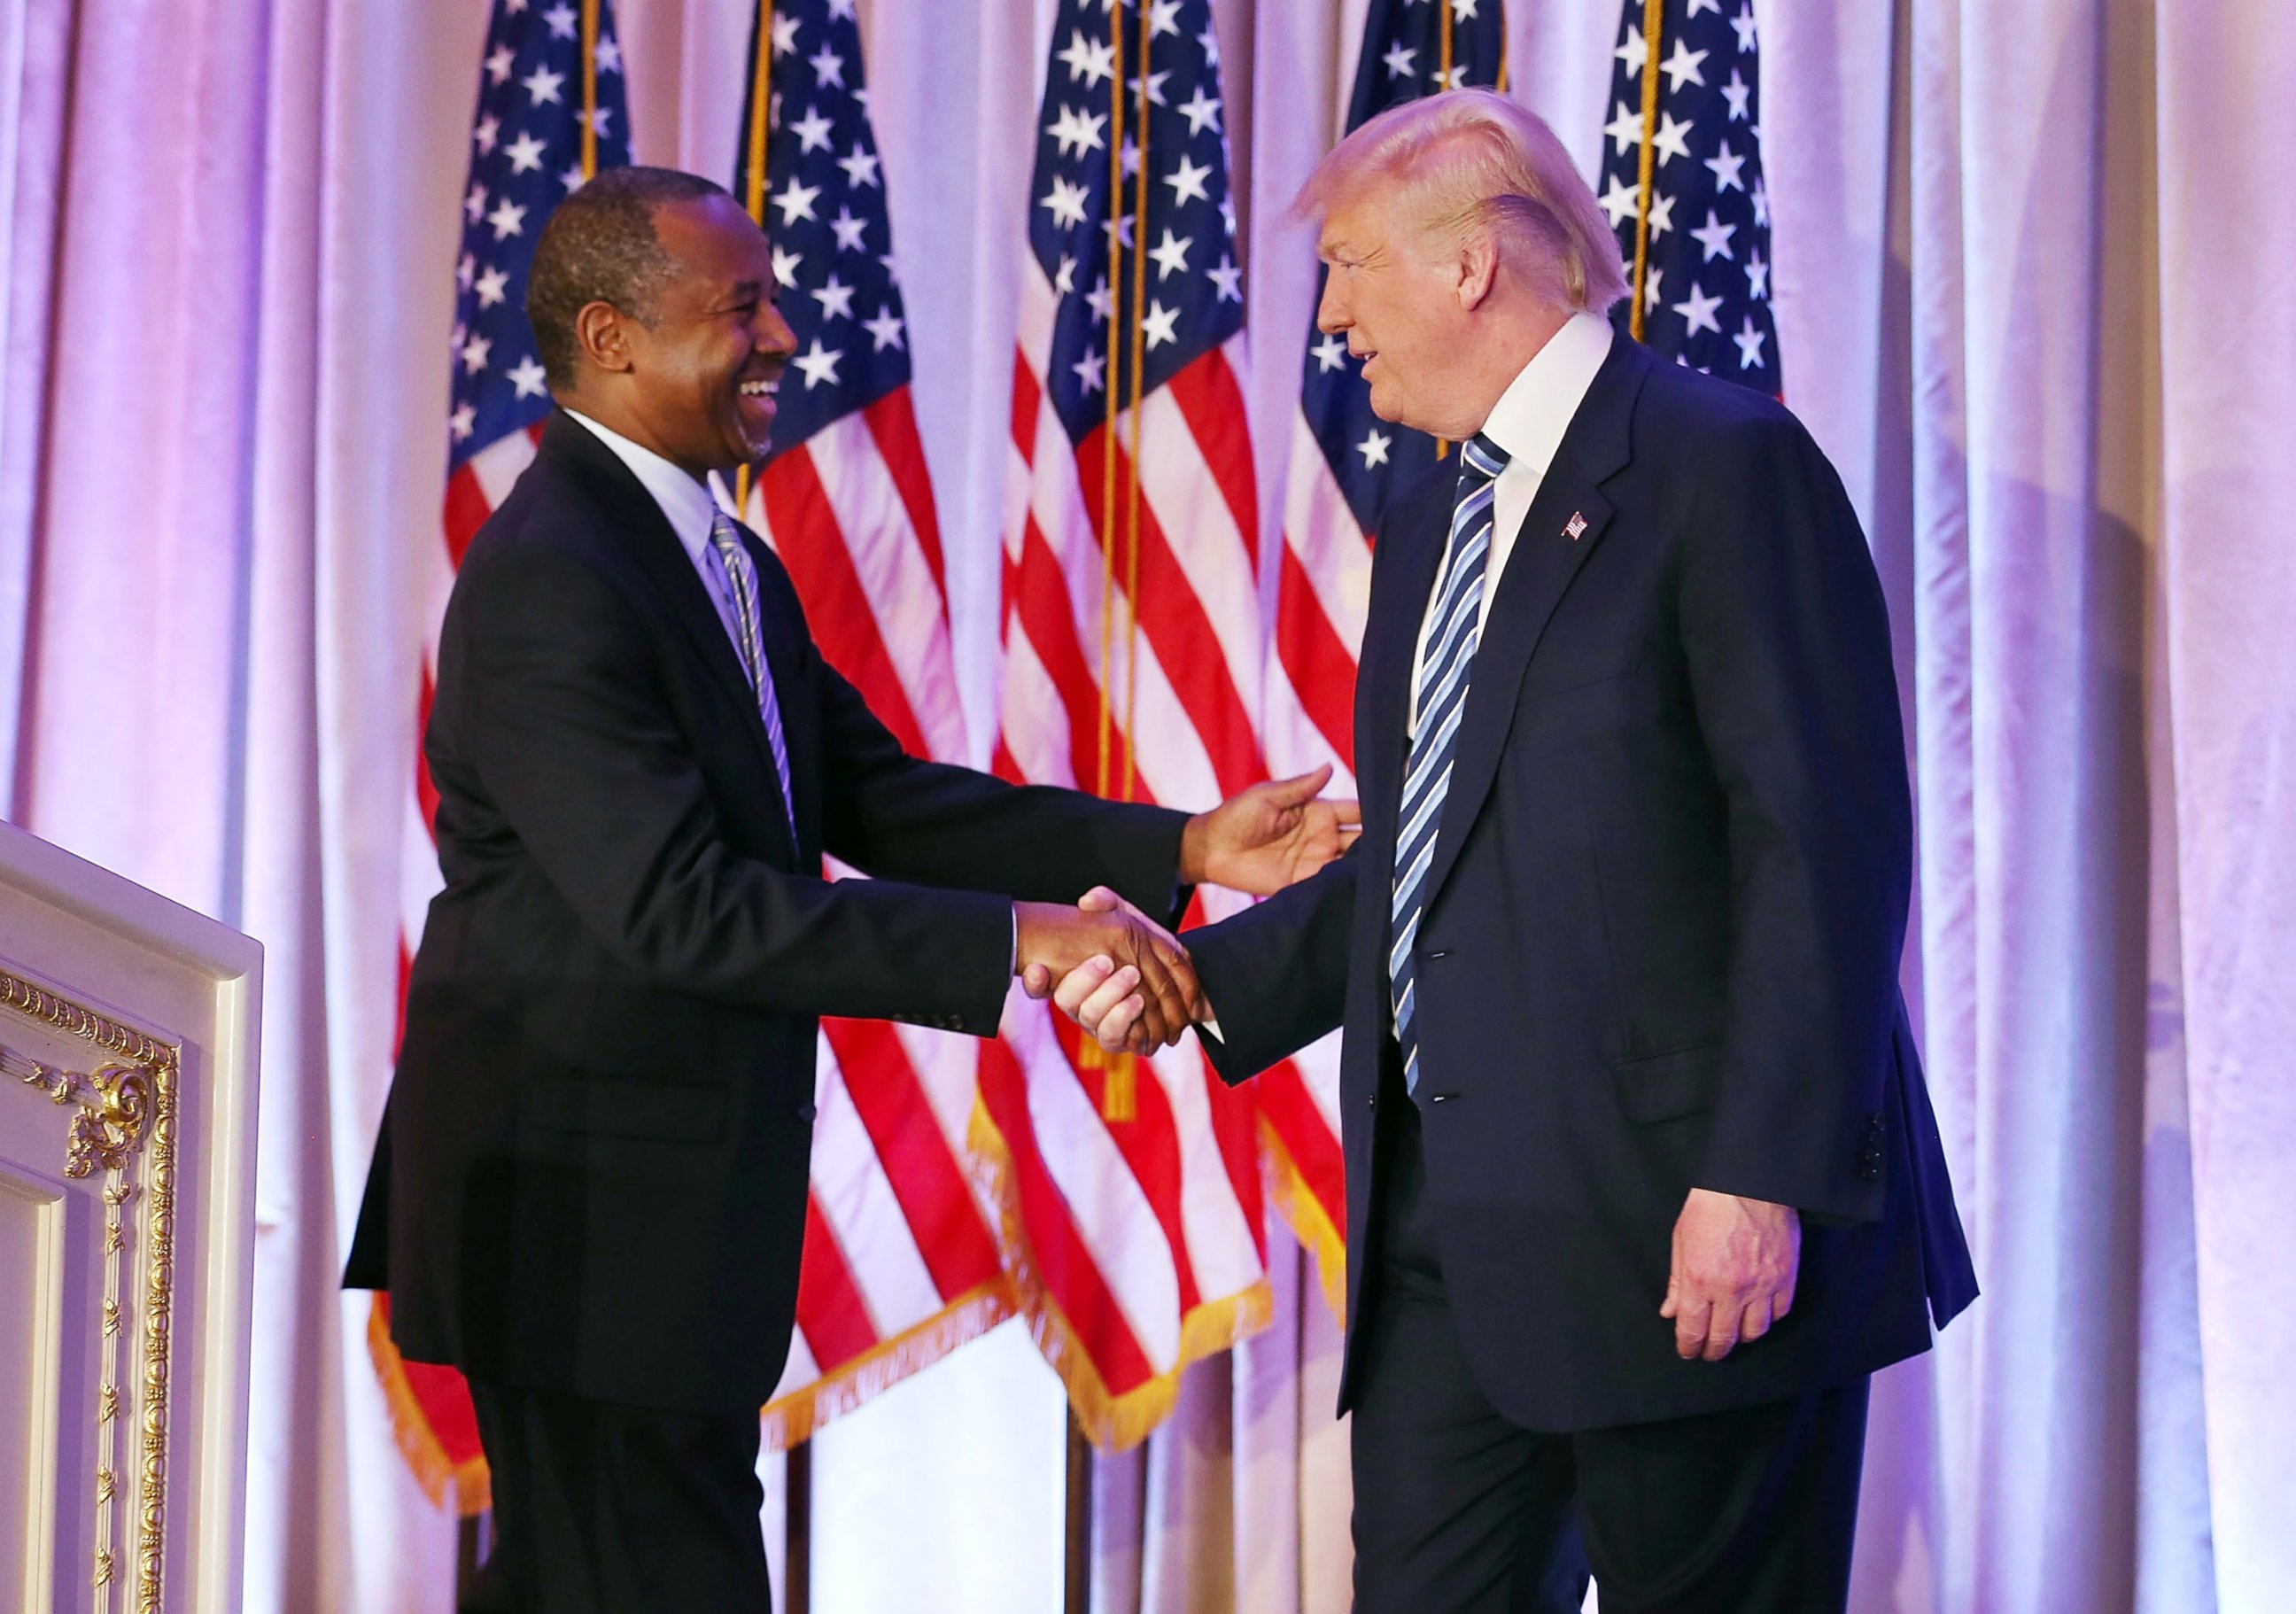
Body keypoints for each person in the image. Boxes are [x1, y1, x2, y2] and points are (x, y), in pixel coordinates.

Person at [341, 166, 1353, 1612]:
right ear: (614, 336)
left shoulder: (720, 558)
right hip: (575, 1221)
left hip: (659, 1230)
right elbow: (681, 906)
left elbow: (879, 797)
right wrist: (1031, 943)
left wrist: (1186, 847)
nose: (784, 336)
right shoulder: (553, 574)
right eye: (740, 305)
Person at [1047, 91, 1978, 1614]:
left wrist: (1757, 1177)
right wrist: (1202, 980)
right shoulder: (1431, 518)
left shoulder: (1721, 465)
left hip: (1688, 1230)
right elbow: (1439, 851)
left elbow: (1824, 846)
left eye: (1348, 267)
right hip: (1453, 1244)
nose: (1331, 314)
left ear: (1472, 265)